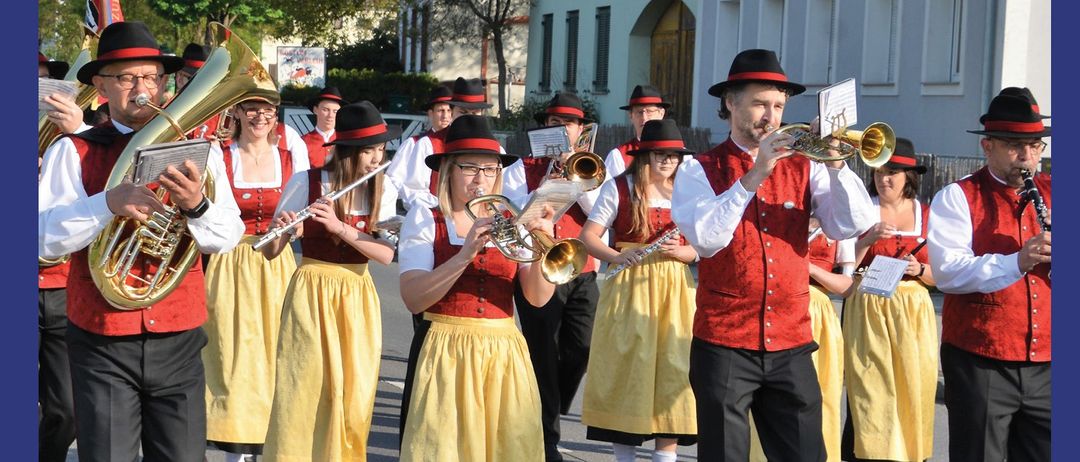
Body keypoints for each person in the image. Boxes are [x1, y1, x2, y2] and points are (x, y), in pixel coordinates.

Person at [38, 21, 244, 462]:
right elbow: (42, 239)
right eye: (127, 78)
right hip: (102, 340)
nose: (142, 88)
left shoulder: (198, 150)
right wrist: (105, 204)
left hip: (180, 338)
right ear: (100, 86)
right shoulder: (71, 150)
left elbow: (228, 236)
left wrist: (196, 206)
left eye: (151, 77)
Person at [670, 48, 875, 461]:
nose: (771, 116)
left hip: (792, 341)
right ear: (730, 103)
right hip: (724, 342)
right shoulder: (698, 168)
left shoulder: (808, 165)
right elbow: (708, 240)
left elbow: (850, 224)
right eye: (760, 104)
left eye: (779, 105)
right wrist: (755, 174)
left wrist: (836, 163)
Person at [396, 114, 555, 461]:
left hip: (503, 351)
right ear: (449, 170)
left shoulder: (513, 221)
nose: (480, 179)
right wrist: (464, 255)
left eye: (489, 169)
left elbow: (537, 298)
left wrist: (545, 246)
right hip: (444, 349)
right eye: (470, 168)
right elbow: (412, 298)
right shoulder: (426, 217)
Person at [260, 101, 399, 462]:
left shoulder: (382, 188)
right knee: (303, 388)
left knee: (352, 393)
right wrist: (281, 232)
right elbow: (270, 253)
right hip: (311, 288)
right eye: (369, 150)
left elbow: (385, 255)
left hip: (356, 293)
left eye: (380, 149)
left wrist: (340, 227)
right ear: (349, 152)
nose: (376, 158)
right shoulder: (305, 181)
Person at [927, 92, 1051, 462]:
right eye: (1014, 146)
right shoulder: (958, 196)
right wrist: (1017, 261)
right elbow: (948, 272)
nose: (1027, 156)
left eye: (1033, 145)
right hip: (981, 360)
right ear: (987, 146)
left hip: (1049, 360)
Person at [579, 119, 698, 462]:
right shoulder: (620, 187)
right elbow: (588, 236)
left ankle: (666, 457)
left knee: (674, 367)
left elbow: (703, 245)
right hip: (630, 284)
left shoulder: (687, 191)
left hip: (674, 286)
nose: (668, 162)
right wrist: (617, 254)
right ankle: (624, 457)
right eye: (660, 155)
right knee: (627, 365)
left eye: (674, 156)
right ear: (644, 156)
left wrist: (685, 253)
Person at [202, 96, 310, 462]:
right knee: (234, 354)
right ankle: (236, 447)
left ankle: (273, 442)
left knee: (275, 353)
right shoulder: (221, 155)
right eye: (251, 109)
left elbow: (301, 213)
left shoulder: (292, 155)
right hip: (232, 261)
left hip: (278, 264)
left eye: (267, 110)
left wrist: (290, 231)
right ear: (236, 112)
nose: (260, 117)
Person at [516, 91, 602, 461]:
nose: (561, 128)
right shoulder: (521, 166)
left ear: (580, 129)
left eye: (568, 123)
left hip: (582, 268)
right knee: (542, 354)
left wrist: (575, 175)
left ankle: (547, 407)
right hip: (538, 267)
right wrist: (546, 184)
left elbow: (601, 212)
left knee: (581, 348)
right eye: (554, 123)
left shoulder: (593, 168)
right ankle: (547, 439)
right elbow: (517, 213)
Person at [840, 138, 938, 462]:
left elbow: (945, 274)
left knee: (913, 387)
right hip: (868, 306)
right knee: (870, 388)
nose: (885, 179)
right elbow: (842, 263)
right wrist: (867, 239)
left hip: (913, 312)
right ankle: (864, 455)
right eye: (880, 171)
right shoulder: (862, 209)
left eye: (893, 172)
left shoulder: (926, 213)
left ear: (908, 176)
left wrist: (920, 268)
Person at [386, 77, 525, 211]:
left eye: (474, 112)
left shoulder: (496, 148)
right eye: (463, 112)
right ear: (452, 112)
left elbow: (511, 194)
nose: (468, 117)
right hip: (442, 222)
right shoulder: (427, 144)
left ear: (482, 114)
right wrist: (448, 210)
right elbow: (413, 192)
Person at [604, 85, 670, 179]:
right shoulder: (618, 157)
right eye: (639, 112)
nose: (644, 118)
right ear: (631, 116)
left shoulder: (678, 155)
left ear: (661, 113)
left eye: (649, 111)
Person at [300, 86, 347, 168]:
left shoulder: (345, 141)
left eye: (335, 111)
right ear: (315, 110)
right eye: (325, 110)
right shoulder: (302, 142)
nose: (331, 115)